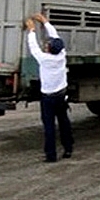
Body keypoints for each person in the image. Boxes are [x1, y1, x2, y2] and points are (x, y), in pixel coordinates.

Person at [25, 13, 74, 162]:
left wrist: (31, 30)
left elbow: (33, 47)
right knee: (64, 122)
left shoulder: (44, 59)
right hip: (61, 96)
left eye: (46, 45)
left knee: (49, 127)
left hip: (48, 98)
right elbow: (55, 37)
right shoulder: (61, 55)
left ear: (48, 49)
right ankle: (68, 149)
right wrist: (45, 22)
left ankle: (51, 155)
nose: (45, 45)